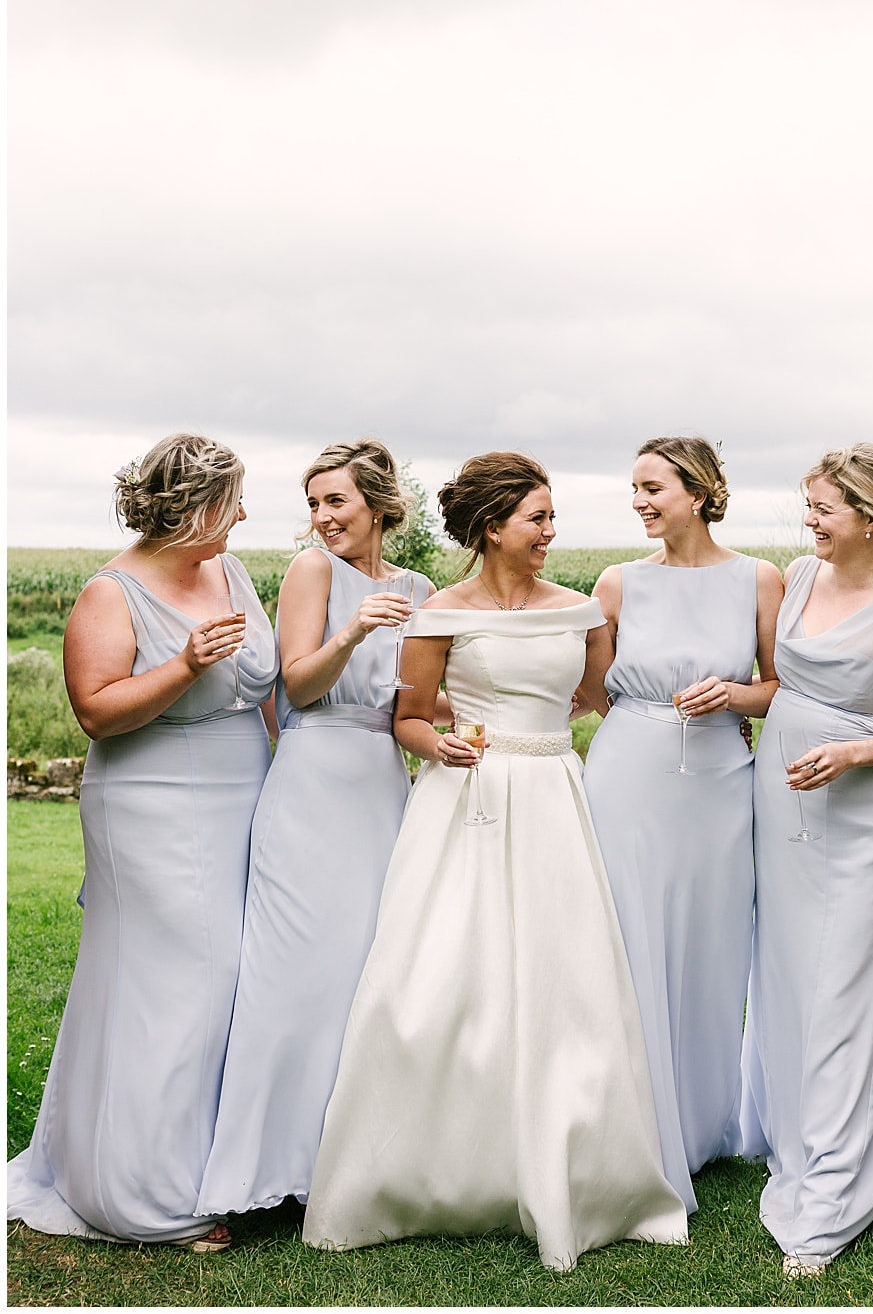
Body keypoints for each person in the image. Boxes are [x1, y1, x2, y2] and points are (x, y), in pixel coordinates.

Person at [302, 452, 689, 1271]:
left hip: (552, 796)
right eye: (537, 518)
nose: (552, 532)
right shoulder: (436, 612)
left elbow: (591, 695)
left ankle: (571, 1163)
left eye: (551, 517)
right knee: (440, 978)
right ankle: (428, 1167)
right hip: (463, 801)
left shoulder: (582, 611)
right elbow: (408, 715)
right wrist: (438, 741)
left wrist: (535, 742)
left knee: (566, 982)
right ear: (491, 528)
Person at [7, 433, 277, 1250]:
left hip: (244, 797)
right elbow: (96, 709)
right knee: (182, 984)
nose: (243, 515)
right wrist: (187, 663)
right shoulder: (110, 593)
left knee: (236, 980)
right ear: (194, 507)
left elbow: (261, 688)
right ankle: (144, 1192)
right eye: (232, 501)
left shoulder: (231, 573)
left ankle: (222, 1163)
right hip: (152, 807)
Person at [198, 439, 435, 1216]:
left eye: (335, 501)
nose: (322, 518)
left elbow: (416, 705)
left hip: (381, 785)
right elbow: (294, 683)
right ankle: (262, 1172)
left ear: (376, 504)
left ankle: (348, 1159)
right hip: (309, 778)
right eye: (313, 503)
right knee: (293, 971)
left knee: (366, 967)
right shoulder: (312, 571)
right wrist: (353, 631)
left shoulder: (421, 587)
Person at [739, 444, 873, 1278]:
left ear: (869, 513)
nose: (809, 520)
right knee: (793, 972)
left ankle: (830, 1188)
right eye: (808, 504)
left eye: (823, 507)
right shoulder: (798, 577)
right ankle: (863, 1139)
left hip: (857, 808)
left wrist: (852, 755)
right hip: (779, 797)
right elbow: (775, 682)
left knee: (846, 978)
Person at [584, 436, 783, 1210]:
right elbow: (597, 687)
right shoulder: (617, 582)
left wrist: (731, 701)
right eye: (632, 488)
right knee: (631, 939)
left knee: (710, 944)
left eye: (651, 486)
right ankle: (633, 1124)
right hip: (629, 778)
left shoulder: (759, 579)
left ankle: (700, 1124)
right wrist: (644, 723)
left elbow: (779, 688)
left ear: (698, 492)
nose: (637, 501)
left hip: (721, 789)